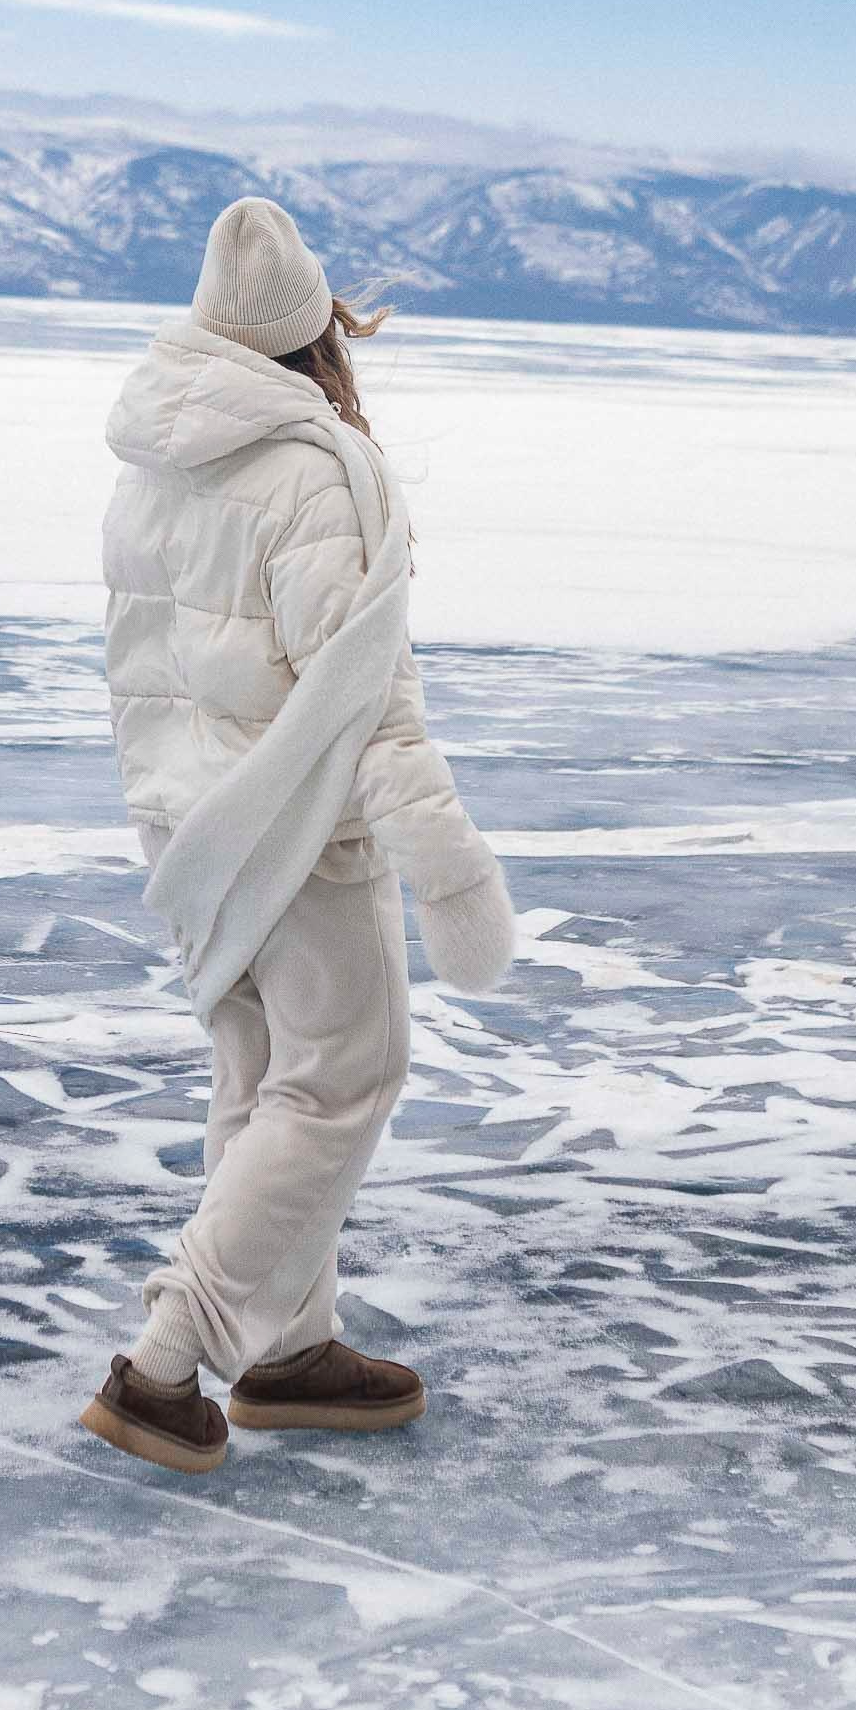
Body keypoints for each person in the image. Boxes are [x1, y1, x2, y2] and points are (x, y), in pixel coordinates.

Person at [80, 195, 515, 1476]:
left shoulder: (153, 458)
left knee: (261, 1080)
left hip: (186, 821)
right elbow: (361, 692)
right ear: (315, 332)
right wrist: (447, 868)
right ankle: (165, 1364)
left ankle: (286, 1349)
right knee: (341, 1081)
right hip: (295, 827)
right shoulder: (311, 470)